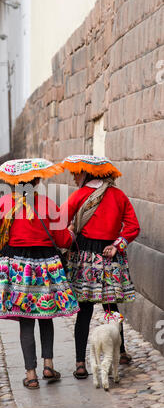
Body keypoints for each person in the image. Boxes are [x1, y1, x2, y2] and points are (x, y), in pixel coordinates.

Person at [0, 158, 79, 390]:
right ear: (36, 181)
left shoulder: (4, 203)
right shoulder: (47, 204)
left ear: (14, 182)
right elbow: (63, 239)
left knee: (25, 321)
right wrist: (73, 237)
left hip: (17, 268)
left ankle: (30, 374)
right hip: (46, 266)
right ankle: (48, 365)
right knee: (46, 316)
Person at [60, 155, 140, 379]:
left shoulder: (79, 195)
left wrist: (69, 242)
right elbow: (133, 227)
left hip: (85, 258)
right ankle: (121, 352)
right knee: (111, 307)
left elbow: (59, 223)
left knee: (84, 310)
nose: (75, 177)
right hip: (110, 257)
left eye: (77, 173)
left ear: (87, 173)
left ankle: (79, 364)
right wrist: (117, 245)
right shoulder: (118, 195)